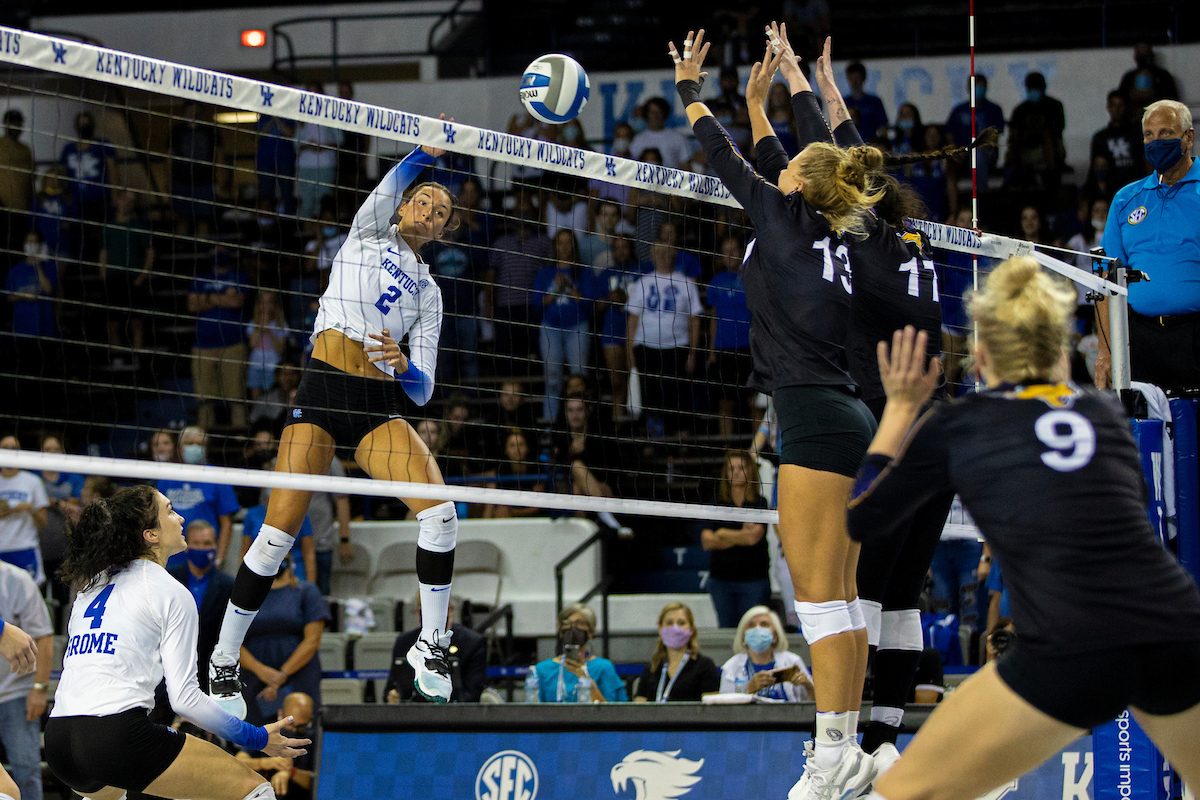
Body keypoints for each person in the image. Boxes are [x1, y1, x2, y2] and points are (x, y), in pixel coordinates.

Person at [847, 262, 1200, 800]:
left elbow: (861, 518)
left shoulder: (958, 424)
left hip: (1068, 648)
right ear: (1060, 347)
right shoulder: (1108, 416)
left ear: (982, 354)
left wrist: (898, 411)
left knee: (904, 792)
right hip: (1174, 628)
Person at [672, 23, 874, 794]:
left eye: (786, 166)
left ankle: (828, 756)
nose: (778, 164)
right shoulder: (833, 223)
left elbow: (723, 152)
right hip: (846, 415)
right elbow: (807, 147)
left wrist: (691, 87)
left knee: (818, 599)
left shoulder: (778, 216)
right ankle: (846, 748)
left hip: (816, 420)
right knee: (845, 598)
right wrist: (782, 83)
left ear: (796, 185)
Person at [207, 130, 465, 714]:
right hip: (323, 390)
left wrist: (405, 368)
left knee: (442, 515)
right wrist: (426, 151)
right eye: (424, 200)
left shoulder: (430, 293)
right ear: (403, 206)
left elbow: (423, 391)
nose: (430, 211)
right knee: (275, 537)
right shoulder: (368, 230)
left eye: (442, 212)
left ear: (444, 232)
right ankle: (223, 660)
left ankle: (432, 645)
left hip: (375, 407)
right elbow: (396, 176)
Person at [762, 30, 957, 770]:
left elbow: (831, 153)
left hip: (888, 418)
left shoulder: (864, 237)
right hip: (935, 427)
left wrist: (797, 86)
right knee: (902, 593)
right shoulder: (908, 241)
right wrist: (818, 82)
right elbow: (847, 145)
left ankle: (844, 740)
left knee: (861, 590)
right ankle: (880, 741)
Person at [45, 486, 307, 800]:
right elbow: (183, 699)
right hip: (114, 734)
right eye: (169, 511)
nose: (180, 517)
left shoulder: (90, 588)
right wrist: (257, 737)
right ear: (151, 534)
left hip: (60, 739)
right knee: (256, 790)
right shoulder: (169, 591)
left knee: (115, 791)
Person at [1096, 100, 1199, 393]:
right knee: (1145, 434)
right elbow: (1104, 279)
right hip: (1139, 339)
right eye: (1149, 135)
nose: (1156, 142)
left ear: (1188, 137)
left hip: (1194, 338)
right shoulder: (1125, 199)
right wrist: (1105, 351)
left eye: (1166, 133)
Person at [625, 230, 703, 438]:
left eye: (667, 251)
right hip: (646, 348)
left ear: (674, 255)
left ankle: (680, 436)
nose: (662, 255)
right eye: (658, 252)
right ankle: (651, 438)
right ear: (652, 255)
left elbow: (695, 320)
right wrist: (630, 354)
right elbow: (632, 321)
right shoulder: (643, 283)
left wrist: (693, 353)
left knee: (677, 394)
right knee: (649, 395)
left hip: (677, 348)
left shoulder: (686, 283)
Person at [237, 556, 328, 726]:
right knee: (255, 738)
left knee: (301, 734)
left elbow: (313, 641)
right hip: (254, 677)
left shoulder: (306, 591)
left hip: (299, 675)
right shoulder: (243, 593)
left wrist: (281, 675)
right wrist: (262, 671)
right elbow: (231, 642)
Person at [0, 560, 52, 800]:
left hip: (14, 693)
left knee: (26, 771)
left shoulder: (17, 579)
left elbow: (44, 637)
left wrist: (39, 689)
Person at [701, 451, 770, 627]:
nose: (737, 472)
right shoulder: (716, 503)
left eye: (741, 467)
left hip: (753, 580)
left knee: (753, 630)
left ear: (750, 471)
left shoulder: (759, 503)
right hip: (721, 581)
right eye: (732, 468)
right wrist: (740, 535)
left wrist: (723, 534)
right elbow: (707, 541)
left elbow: (753, 538)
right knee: (728, 633)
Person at [486, 195, 553, 375]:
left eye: (526, 211)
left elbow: (549, 275)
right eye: (518, 212)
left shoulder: (544, 242)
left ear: (533, 213)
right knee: (505, 354)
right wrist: (488, 304)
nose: (522, 215)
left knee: (532, 354)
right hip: (505, 307)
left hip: (533, 307)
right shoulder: (500, 243)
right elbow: (491, 277)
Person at [155, 426, 240, 568]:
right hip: (171, 557)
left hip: (205, 555)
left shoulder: (217, 477)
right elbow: (157, 519)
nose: (194, 447)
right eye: (189, 443)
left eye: (199, 444)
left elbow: (226, 523)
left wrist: (220, 558)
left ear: (205, 448)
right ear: (180, 448)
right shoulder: (166, 476)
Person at [534, 229, 595, 423]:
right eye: (560, 243)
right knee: (552, 380)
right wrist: (557, 291)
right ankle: (550, 429)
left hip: (577, 327)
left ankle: (584, 426)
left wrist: (570, 289)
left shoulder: (583, 272)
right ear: (555, 246)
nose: (564, 247)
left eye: (568, 242)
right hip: (550, 328)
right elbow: (537, 304)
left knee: (580, 380)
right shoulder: (546, 272)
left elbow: (590, 305)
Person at [168, 520, 234, 693]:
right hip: (168, 670)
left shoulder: (228, 585)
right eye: (196, 543)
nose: (202, 549)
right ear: (186, 545)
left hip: (209, 673)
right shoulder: (169, 579)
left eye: (207, 544)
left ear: (216, 545)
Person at [188, 250, 249, 430]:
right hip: (203, 345)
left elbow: (236, 301)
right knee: (204, 398)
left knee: (236, 396)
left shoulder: (238, 275)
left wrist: (206, 298)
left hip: (233, 343)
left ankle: (239, 437)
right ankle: (204, 440)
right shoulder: (201, 277)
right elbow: (192, 304)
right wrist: (222, 298)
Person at [385, 597, 487, 703]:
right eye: (424, 610)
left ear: (450, 610)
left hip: (454, 714)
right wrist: (393, 696)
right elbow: (391, 687)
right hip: (413, 712)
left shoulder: (472, 643)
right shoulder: (404, 642)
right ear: (417, 612)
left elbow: (472, 693)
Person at [98, 188, 156, 368]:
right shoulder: (108, 227)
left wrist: (142, 277)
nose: (128, 203)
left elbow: (150, 253)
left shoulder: (139, 226)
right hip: (113, 278)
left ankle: (137, 356)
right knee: (112, 322)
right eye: (125, 199)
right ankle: (117, 357)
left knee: (136, 320)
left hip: (132, 278)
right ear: (119, 200)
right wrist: (103, 273)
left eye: (132, 200)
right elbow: (103, 252)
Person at [528, 603, 626, 703]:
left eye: (580, 623)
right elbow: (533, 711)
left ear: (591, 631)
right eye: (567, 623)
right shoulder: (542, 669)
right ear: (561, 630)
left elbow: (614, 712)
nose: (573, 628)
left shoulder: (603, 668)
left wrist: (585, 679)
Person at [706, 235, 754, 438]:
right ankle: (727, 451)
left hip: (749, 348)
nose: (730, 254)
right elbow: (713, 318)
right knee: (724, 401)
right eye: (725, 251)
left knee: (753, 400)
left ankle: (758, 451)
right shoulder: (716, 282)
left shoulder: (752, 278)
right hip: (724, 348)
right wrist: (711, 351)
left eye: (733, 249)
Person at [719, 605, 813, 701]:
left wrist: (808, 687)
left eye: (764, 624)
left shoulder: (792, 661)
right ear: (743, 637)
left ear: (775, 636)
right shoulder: (731, 667)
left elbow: (813, 704)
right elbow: (725, 709)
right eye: (751, 625)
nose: (757, 629)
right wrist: (748, 690)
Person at [633, 601, 720, 702]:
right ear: (660, 629)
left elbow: (712, 710)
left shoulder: (705, 666)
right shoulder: (653, 667)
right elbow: (639, 707)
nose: (675, 628)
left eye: (681, 623)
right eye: (669, 623)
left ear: (691, 629)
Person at [237, 692, 315, 800]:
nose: (294, 730)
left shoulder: (315, 739)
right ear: (280, 714)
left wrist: (290, 772)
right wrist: (267, 763)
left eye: (301, 726)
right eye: (290, 724)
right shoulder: (265, 731)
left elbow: (321, 781)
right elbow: (238, 762)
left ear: (310, 720)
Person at [1005, 72, 1066, 192]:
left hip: (1051, 150)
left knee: (1047, 137)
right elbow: (1014, 134)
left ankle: (1051, 183)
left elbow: (1057, 129)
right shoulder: (1020, 110)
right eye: (1030, 88)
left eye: (1036, 87)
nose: (1033, 91)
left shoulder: (1054, 106)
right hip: (1026, 150)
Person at [0, 436, 48, 584]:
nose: (9, 451)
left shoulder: (32, 481)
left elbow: (43, 523)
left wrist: (31, 509)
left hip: (25, 548)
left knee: (29, 598)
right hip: (1, 549)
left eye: (13, 448)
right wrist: (10, 510)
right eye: (5, 447)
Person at [170, 100, 222, 236]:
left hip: (204, 181)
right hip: (181, 180)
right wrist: (167, 179)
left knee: (204, 218)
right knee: (182, 218)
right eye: (190, 109)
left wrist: (220, 178)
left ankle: (202, 253)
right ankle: (182, 253)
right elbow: (168, 156)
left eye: (195, 110)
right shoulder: (177, 131)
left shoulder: (211, 131)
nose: (192, 113)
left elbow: (219, 156)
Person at [945, 75, 1005, 190]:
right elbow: (949, 133)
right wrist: (956, 151)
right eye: (975, 85)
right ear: (969, 88)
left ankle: (980, 193)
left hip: (985, 152)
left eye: (981, 85)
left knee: (977, 155)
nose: (978, 88)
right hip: (961, 152)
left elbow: (996, 134)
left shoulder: (994, 109)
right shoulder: (959, 110)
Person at [294, 82, 343, 221]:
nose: (313, 97)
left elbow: (340, 139)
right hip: (305, 165)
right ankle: (308, 235)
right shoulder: (300, 116)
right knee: (306, 202)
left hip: (326, 164)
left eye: (316, 93)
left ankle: (324, 234)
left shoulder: (330, 114)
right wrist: (308, 146)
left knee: (324, 202)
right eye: (310, 93)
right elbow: (294, 142)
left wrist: (322, 146)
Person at [1089, 90, 1147, 194]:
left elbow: (1147, 162)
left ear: (1126, 107)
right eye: (1114, 105)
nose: (1117, 110)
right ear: (1108, 108)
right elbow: (1094, 169)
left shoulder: (1137, 134)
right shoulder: (1100, 138)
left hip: (1136, 188)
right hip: (1111, 191)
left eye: (1120, 105)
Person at [482, 430, 547, 518]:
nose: (517, 449)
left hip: (537, 519)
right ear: (506, 450)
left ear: (527, 448)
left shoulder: (537, 468)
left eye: (521, 444)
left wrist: (511, 512)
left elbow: (535, 508)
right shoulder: (500, 471)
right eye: (512, 446)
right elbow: (490, 509)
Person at [0, 109, 34, 270]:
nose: (16, 126)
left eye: (18, 123)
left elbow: (30, 181)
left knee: (17, 253)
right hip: (3, 209)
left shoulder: (25, 150)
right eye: (12, 122)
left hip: (21, 212)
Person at [246, 291, 289, 404]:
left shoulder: (280, 324)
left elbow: (280, 348)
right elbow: (252, 344)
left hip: (273, 365)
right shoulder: (252, 324)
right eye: (262, 303)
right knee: (255, 393)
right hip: (256, 364)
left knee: (271, 393)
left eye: (269, 303)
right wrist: (260, 326)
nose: (265, 306)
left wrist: (270, 332)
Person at [629, 97, 693, 170]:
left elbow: (686, 165)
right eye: (652, 112)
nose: (655, 116)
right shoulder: (638, 139)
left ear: (664, 114)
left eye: (658, 112)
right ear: (646, 115)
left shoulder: (677, 137)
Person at [1118, 42, 1179, 110]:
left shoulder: (1163, 76)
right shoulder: (1129, 77)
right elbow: (1120, 101)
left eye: (1145, 53)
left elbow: (1173, 101)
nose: (1143, 57)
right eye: (1140, 54)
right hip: (1133, 117)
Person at [842, 61, 888, 140]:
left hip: (871, 144)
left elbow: (882, 127)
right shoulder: (844, 102)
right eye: (852, 79)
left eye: (857, 79)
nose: (855, 82)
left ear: (863, 78)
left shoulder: (874, 101)